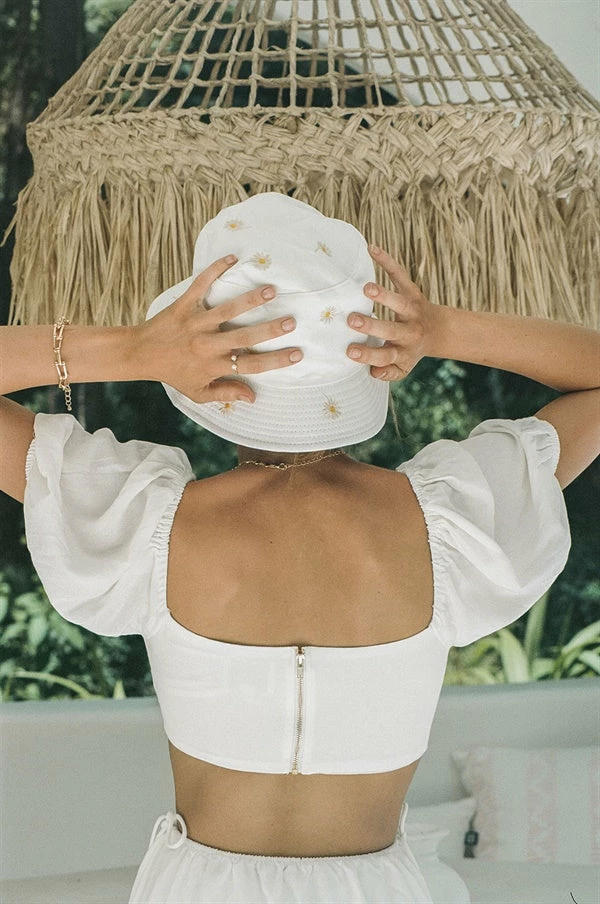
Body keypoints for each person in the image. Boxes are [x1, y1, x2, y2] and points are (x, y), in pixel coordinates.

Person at [0, 191, 597, 904]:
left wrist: (135, 349)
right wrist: (440, 329)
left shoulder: (149, 524)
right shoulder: (450, 524)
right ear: (357, 364)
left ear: (207, 367)